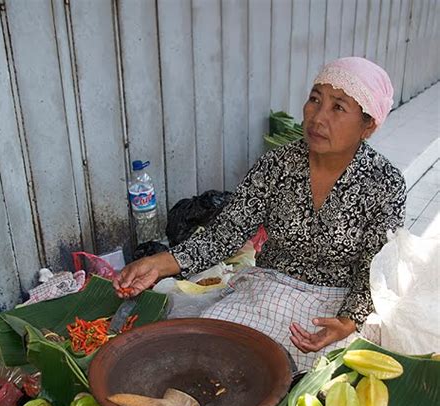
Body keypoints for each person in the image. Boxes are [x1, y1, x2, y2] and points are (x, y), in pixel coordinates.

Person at [114, 57, 406, 370]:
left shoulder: (384, 183)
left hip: (336, 306)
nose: (318, 117)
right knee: (208, 347)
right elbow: (225, 232)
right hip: (268, 291)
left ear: (368, 125)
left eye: (338, 107)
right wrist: (160, 264)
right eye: (315, 99)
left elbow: (374, 269)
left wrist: (348, 321)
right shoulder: (276, 165)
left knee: (326, 374)